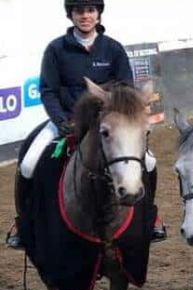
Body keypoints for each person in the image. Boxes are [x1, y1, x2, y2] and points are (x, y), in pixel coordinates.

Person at [7, 0, 165, 249]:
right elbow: (49, 90)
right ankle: (23, 224)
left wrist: (113, 112)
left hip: (108, 122)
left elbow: (125, 87)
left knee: (149, 160)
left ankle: (152, 217)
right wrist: (61, 121)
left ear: (98, 15)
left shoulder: (113, 49)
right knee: (28, 163)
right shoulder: (56, 50)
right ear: (70, 15)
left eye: (90, 10)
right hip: (67, 121)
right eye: (79, 11)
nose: (85, 16)